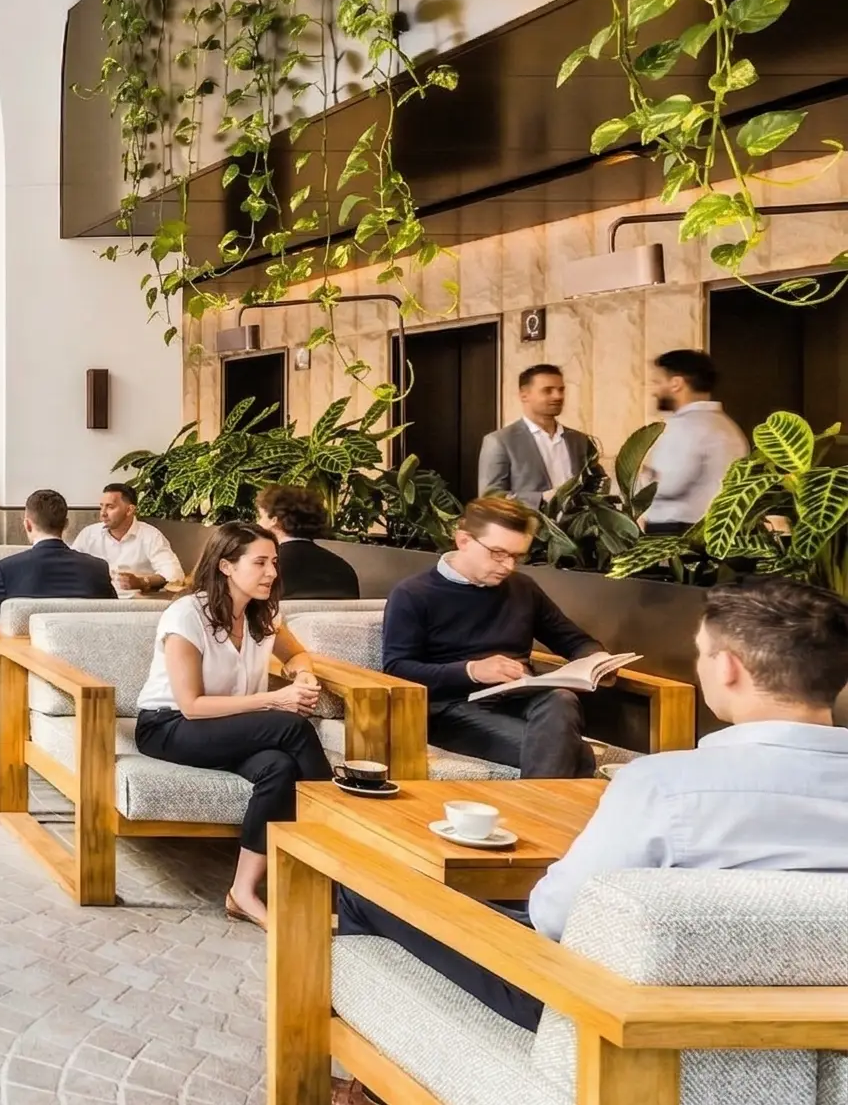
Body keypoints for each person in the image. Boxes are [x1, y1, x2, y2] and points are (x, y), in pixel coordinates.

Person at [337, 576, 848, 1032]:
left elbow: (554, 915)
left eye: (702, 652)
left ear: (729, 668)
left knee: (361, 884)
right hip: (808, 1022)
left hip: (604, 1011)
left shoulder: (664, 787)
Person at [132, 522, 328, 927]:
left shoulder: (263, 614)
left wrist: (303, 676)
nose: (271, 572)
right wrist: (276, 699)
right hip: (168, 726)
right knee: (290, 728)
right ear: (225, 566)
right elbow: (191, 705)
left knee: (279, 767)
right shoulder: (187, 615)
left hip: (229, 726)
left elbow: (297, 656)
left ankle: (242, 892)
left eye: (273, 562)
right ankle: (341, 850)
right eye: (259, 563)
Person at [381, 495, 605, 779]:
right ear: (463, 540)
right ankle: (541, 820)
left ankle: (538, 817)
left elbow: (573, 640)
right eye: (498, 553)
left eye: (516, 556)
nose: (508, 566)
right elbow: (397, 668)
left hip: (519, 698)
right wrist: (472, 670)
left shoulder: (523, 588)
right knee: (576, 753)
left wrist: (597, 661)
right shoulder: (413, 594)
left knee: (562, 699)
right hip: (451, 709)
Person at [0, 489, 114, 628]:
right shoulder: (98, 568)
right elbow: (115, 615)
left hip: (20, 655)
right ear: (66, 524)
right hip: (83, 654)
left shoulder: (8, 568)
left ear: (27, 525)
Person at [639, 348, 748, 533]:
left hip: (677, 533)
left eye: (657, 382)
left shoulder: (686, 426)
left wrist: (641, 474)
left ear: (676, 384)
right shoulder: (728, 426)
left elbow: (665, 485)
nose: (654, 392)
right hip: (713, 531)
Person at [477, 364, 596, 508]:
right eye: (548, 391)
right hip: (529, 527)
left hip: (580, 528)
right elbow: (490, 496)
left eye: (561, 390)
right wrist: (541, 498)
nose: (558, 396)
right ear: (524, 395)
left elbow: (596, 484)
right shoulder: (500, 441)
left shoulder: (579, 440)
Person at [72, 483, 184, 597]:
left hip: (136, 603)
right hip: (95, 601)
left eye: (110, 507)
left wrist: (142, 582)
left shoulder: (151, 535)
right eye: (102, 506)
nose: (103, 513)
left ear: (129, 510)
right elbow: (71, 567)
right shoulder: (89, 534)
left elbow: (174, 575)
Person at [255, 483, 361, 600]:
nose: (257, 523)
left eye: (260, 516)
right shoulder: (344, 569)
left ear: (273, 520)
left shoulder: (266, 569)